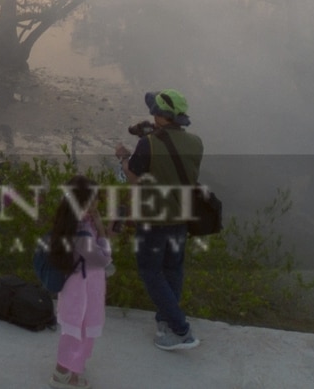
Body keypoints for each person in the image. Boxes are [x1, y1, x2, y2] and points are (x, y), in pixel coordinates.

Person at [114, 88, 204, 352]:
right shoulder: (196, 142)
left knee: (150, 271)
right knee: (173, 269)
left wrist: (123, 157)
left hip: (154, 219)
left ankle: (181, 330)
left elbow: (135, 177)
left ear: (161, 115)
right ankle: (164, 323)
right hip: (181, 216)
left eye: (154, 110)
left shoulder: (148, 143)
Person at [45, 176, 109, 388]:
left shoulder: (74, 222)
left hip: (79, 291)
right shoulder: (83, 233)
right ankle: (61, 375)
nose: (98, 203)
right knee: (76, 335)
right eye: (95, 200)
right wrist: (101, 230)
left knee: (78, 334)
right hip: (82, 295)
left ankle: (73, 369)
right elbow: (104, 259)